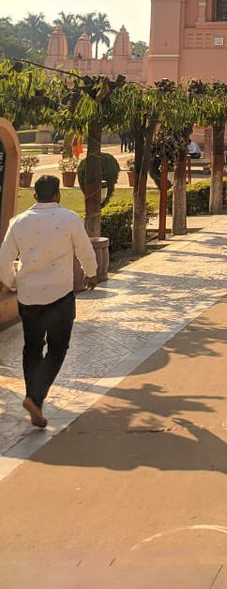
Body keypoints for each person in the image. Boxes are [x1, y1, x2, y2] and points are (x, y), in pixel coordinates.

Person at [0, 175, 98, 429]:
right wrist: (91, 273)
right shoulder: (69, 219)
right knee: (57, 349)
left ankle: (35, 403)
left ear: (34, 196)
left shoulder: (18, 223)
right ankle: (35, 398)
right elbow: (85, 250)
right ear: (58, 195)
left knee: (32, 347)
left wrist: (13, 283)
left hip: (28, 297)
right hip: (60, 296)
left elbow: (3, 260)